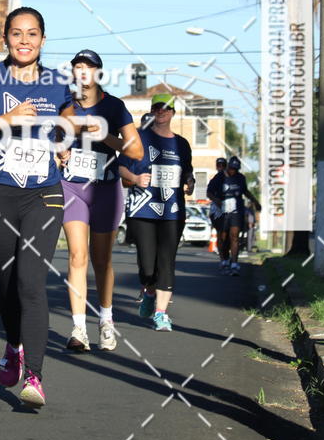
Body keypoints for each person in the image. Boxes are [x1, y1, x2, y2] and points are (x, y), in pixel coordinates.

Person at [0, 7, 74, 407]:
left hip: (43, 193)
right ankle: (12, 344)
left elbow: (70, 118)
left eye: (32, 34)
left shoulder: (59, 83)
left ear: (43, 39)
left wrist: (64, 141)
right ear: (5, 38)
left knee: (31, 282)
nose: (24, 40)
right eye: (16, 33)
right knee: (8, 285)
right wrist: (5, 118)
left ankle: (35, 377)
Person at [60, 49, 142, 352]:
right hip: (72, 186)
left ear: (98, 73)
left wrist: (106, 136)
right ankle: (78, 328)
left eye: (88, 67)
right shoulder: (66, 107)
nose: (83, 72)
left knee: (102, 259)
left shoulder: (115, 107)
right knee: (77, 255)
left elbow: (136, 153)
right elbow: (55, 139)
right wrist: (61, 152)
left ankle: (106, 321)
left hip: (105, 188)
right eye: (78, 67)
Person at [118, 93, 195, 331]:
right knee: (148, 265)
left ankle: (161, 313)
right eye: (157, 108)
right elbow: (121, 168)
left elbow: (188, 172)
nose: (161, 112)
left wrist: (190, 182)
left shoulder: (181, 144)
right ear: (152, 111)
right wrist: (135, 177)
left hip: (172, 210)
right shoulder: (139, 138)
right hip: (142, 210)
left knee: (167, 261)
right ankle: (148, 290)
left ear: (173, 113)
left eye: (166, 108)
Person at [207, 155, 261, 276]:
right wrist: (217, 201)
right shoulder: (219, 177)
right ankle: (224, 260)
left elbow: (245, 191)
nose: (233, 171)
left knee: (234, 236)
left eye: (235, 169)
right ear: (228, 167)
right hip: (222, 210)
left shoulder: (240, 178)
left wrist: (255, 202)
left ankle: (235, 263)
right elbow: (209, 192)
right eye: (231, 168)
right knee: (223, 237)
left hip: (236, 210)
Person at [207, 157, 227, 262]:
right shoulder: (215, 179)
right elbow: (209, 193)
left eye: (223, 165)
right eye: (219, 165)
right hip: (218, 210)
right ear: (216, 166)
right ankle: (222, 258)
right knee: (221, 233)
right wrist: (216, 200)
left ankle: (230, 257)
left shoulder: (231, 178)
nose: (221, 168)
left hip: (230, 208)